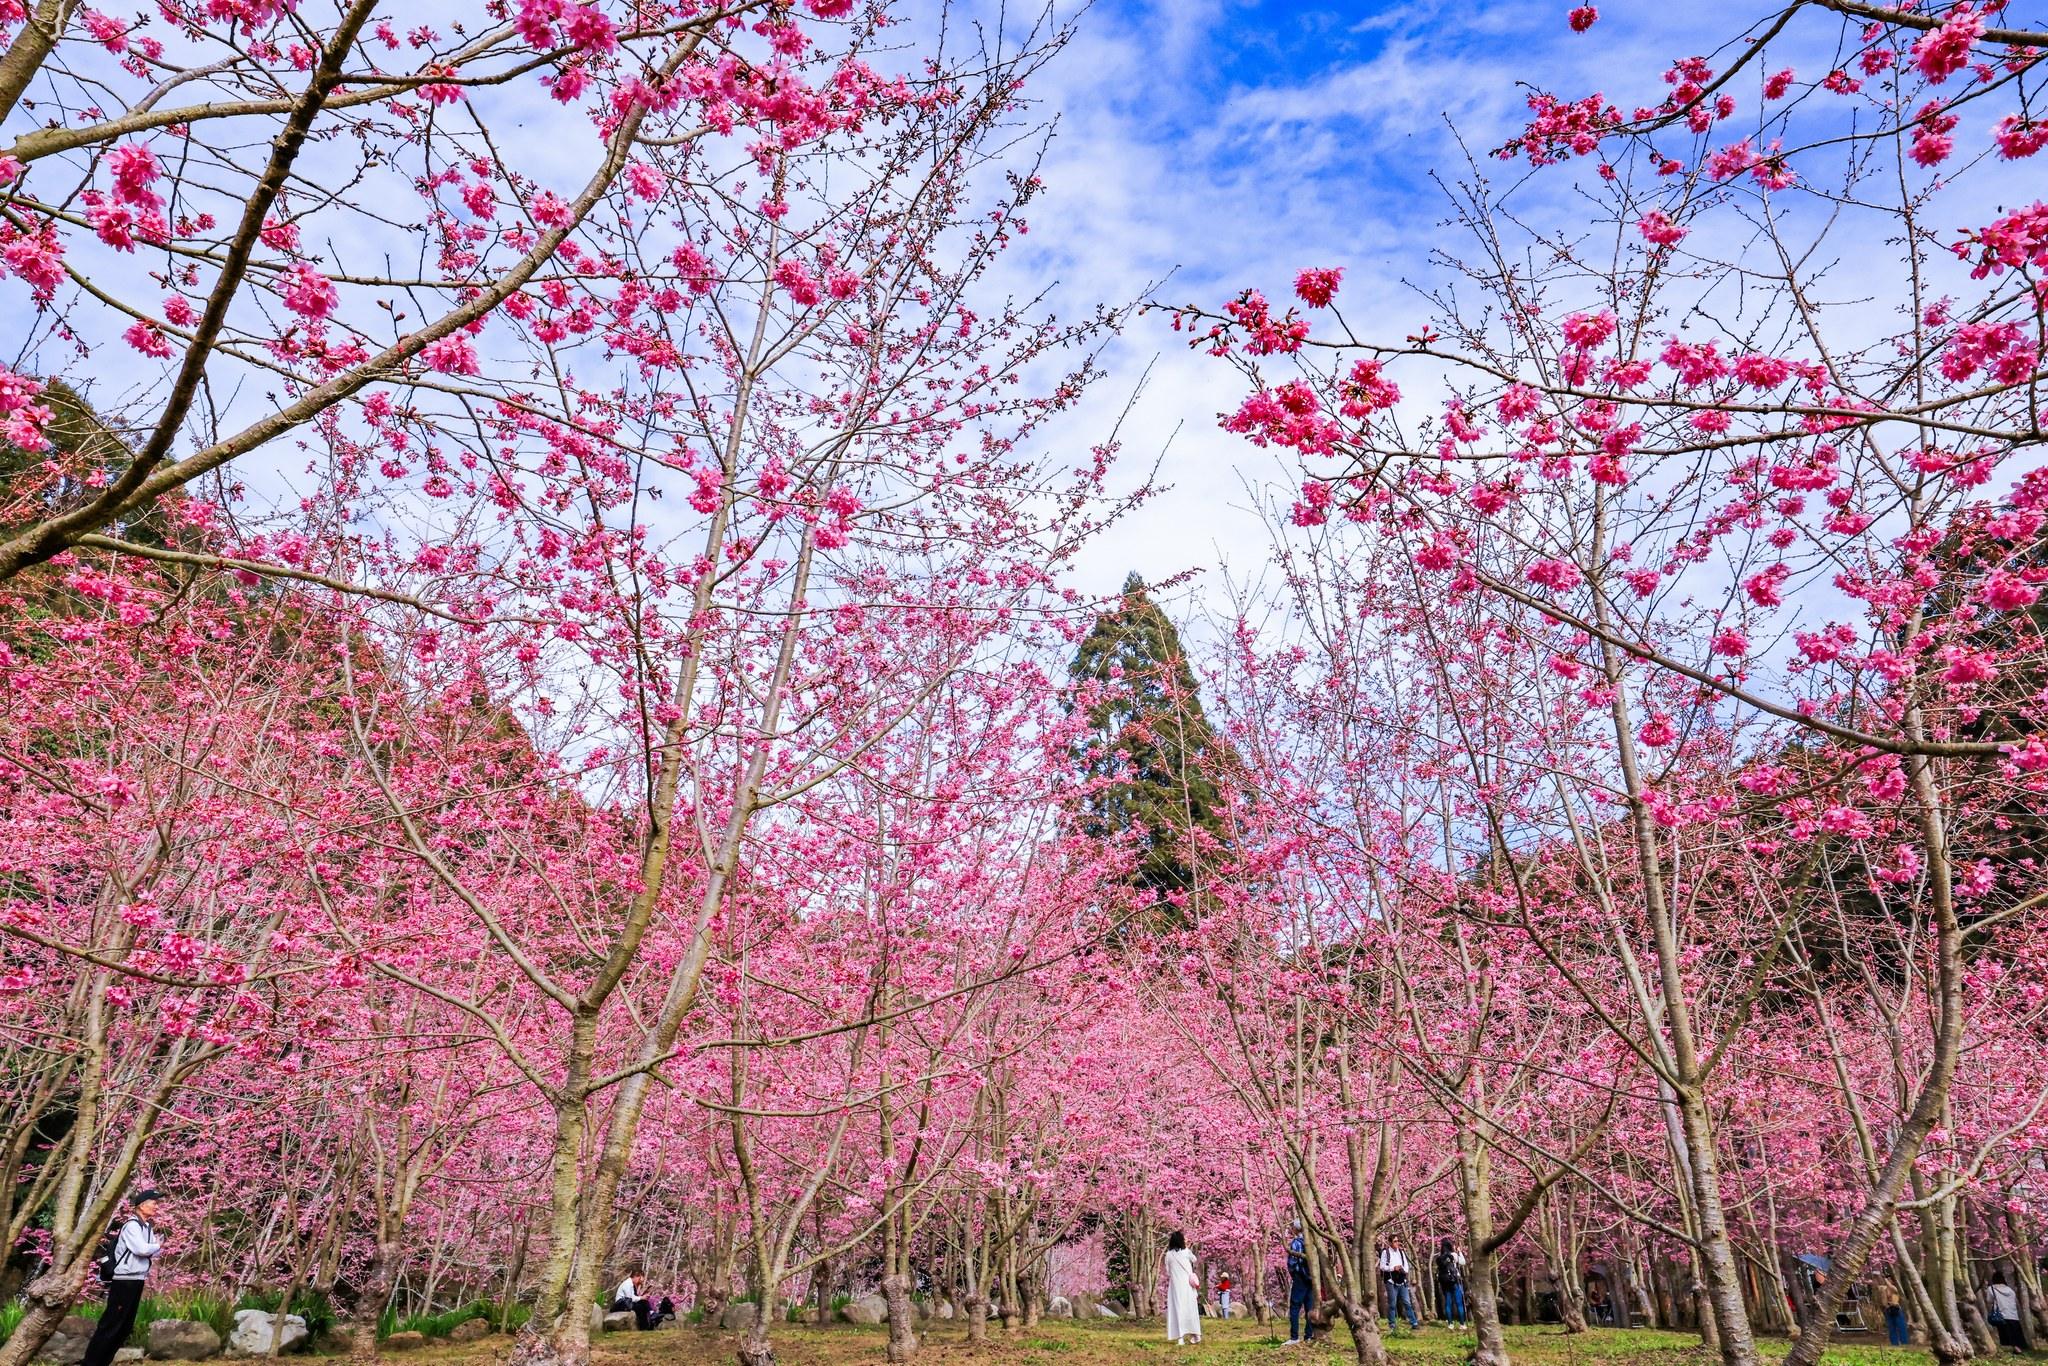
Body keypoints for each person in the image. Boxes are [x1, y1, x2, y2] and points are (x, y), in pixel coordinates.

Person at [80, 1189, 164, 1366]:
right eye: (154, 1202)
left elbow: (152, 1252)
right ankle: (91, 1363)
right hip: (124, 1280)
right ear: (142, 1205)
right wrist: (156, 1245)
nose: (157, 1206)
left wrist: (154, 1247)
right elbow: (142, 1249)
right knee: (111, 1325)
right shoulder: (132, 1225)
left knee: (124, 1327)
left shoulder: (146, 1226)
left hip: (137, 1280)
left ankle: (103, 1362)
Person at [1164, 1230, 1201, 1346]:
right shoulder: (1186, 1252)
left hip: (1175, 1287)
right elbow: (1194, 1259)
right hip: (1188, 1287)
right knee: (1191, 1309)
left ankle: (1180, 1337)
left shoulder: (1168, 1255)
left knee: (1177, 1310)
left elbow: (1168, 1272)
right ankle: (1196, 1334)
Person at [1380, 1234, 1419, 1331]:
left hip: (1402, 1280)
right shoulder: (1386, 1253)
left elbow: (1406, 1265)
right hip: (1391, 1281)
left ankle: (1414, 1322)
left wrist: (1403, 1270)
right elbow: (1382, 1266)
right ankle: (1392, 1324)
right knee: (1392, 1304)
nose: (1397, 1243)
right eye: (1394, 1241)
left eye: (1398, 1241)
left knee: (1407, 1302)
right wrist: (1393, 1268)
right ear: (1390, 1243)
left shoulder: (1401, 1252)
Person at [1286, 1222, 1316, 1345]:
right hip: (1311, 1278)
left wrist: (1294, 1275)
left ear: (1295, 1229)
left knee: (1295, 1307)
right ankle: (1308, 1336)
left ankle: (1294, 1337)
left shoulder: (1296, 1243)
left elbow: (1292, 1263)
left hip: (1300, 1278)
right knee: (1310, 1307)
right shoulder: (1312, 1243)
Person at [1985, 1272, 2024, 1352]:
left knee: (2005, 1333)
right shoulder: (2010, 1290)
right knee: (2014, 1333)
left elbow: (1989, 1300)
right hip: (2013, 1315)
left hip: (2001, 1315)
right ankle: (2017, 1348)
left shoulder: (1991, 1288)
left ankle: (2012, 1349)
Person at [1435, 1239, 1468, 1328]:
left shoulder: (1439, 1257)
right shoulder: (1453, 1255)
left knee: (1448, 1303)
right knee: (1459, 1303)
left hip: (1445, 1283)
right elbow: (1463, 1262)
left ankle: (1450, 1323)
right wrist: (1459, 1252)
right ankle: (1462, 1324)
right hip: (1454, 1281)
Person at [611, 1266, 652, 1331]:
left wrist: (641, 1296)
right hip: (622, 1304)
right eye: (640, 1278)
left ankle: (649, 1319)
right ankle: (644, 1326)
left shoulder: (631, 1284)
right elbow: (630, 1298)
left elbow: (633, 1297)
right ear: (636, 1276)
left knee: (644, 1302)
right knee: (640, 1307)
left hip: (627, 1303)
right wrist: (641, 1297)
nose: (641, 1280)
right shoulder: (627, 1284)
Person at [1876, 1278, 1908, 1347]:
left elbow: (1891, 1287)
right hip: (1888, 1310)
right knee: (1891, 1327)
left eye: (1889, 1279)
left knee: (1901, 1326)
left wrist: (1886, 1280)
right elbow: (1876, 1284)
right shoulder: (1883, 1289)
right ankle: (1894, 1343)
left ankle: (1904, 1342)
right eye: (1887, 1279)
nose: (1887, 1281)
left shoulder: (1894, 1288)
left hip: (1896, 1309)